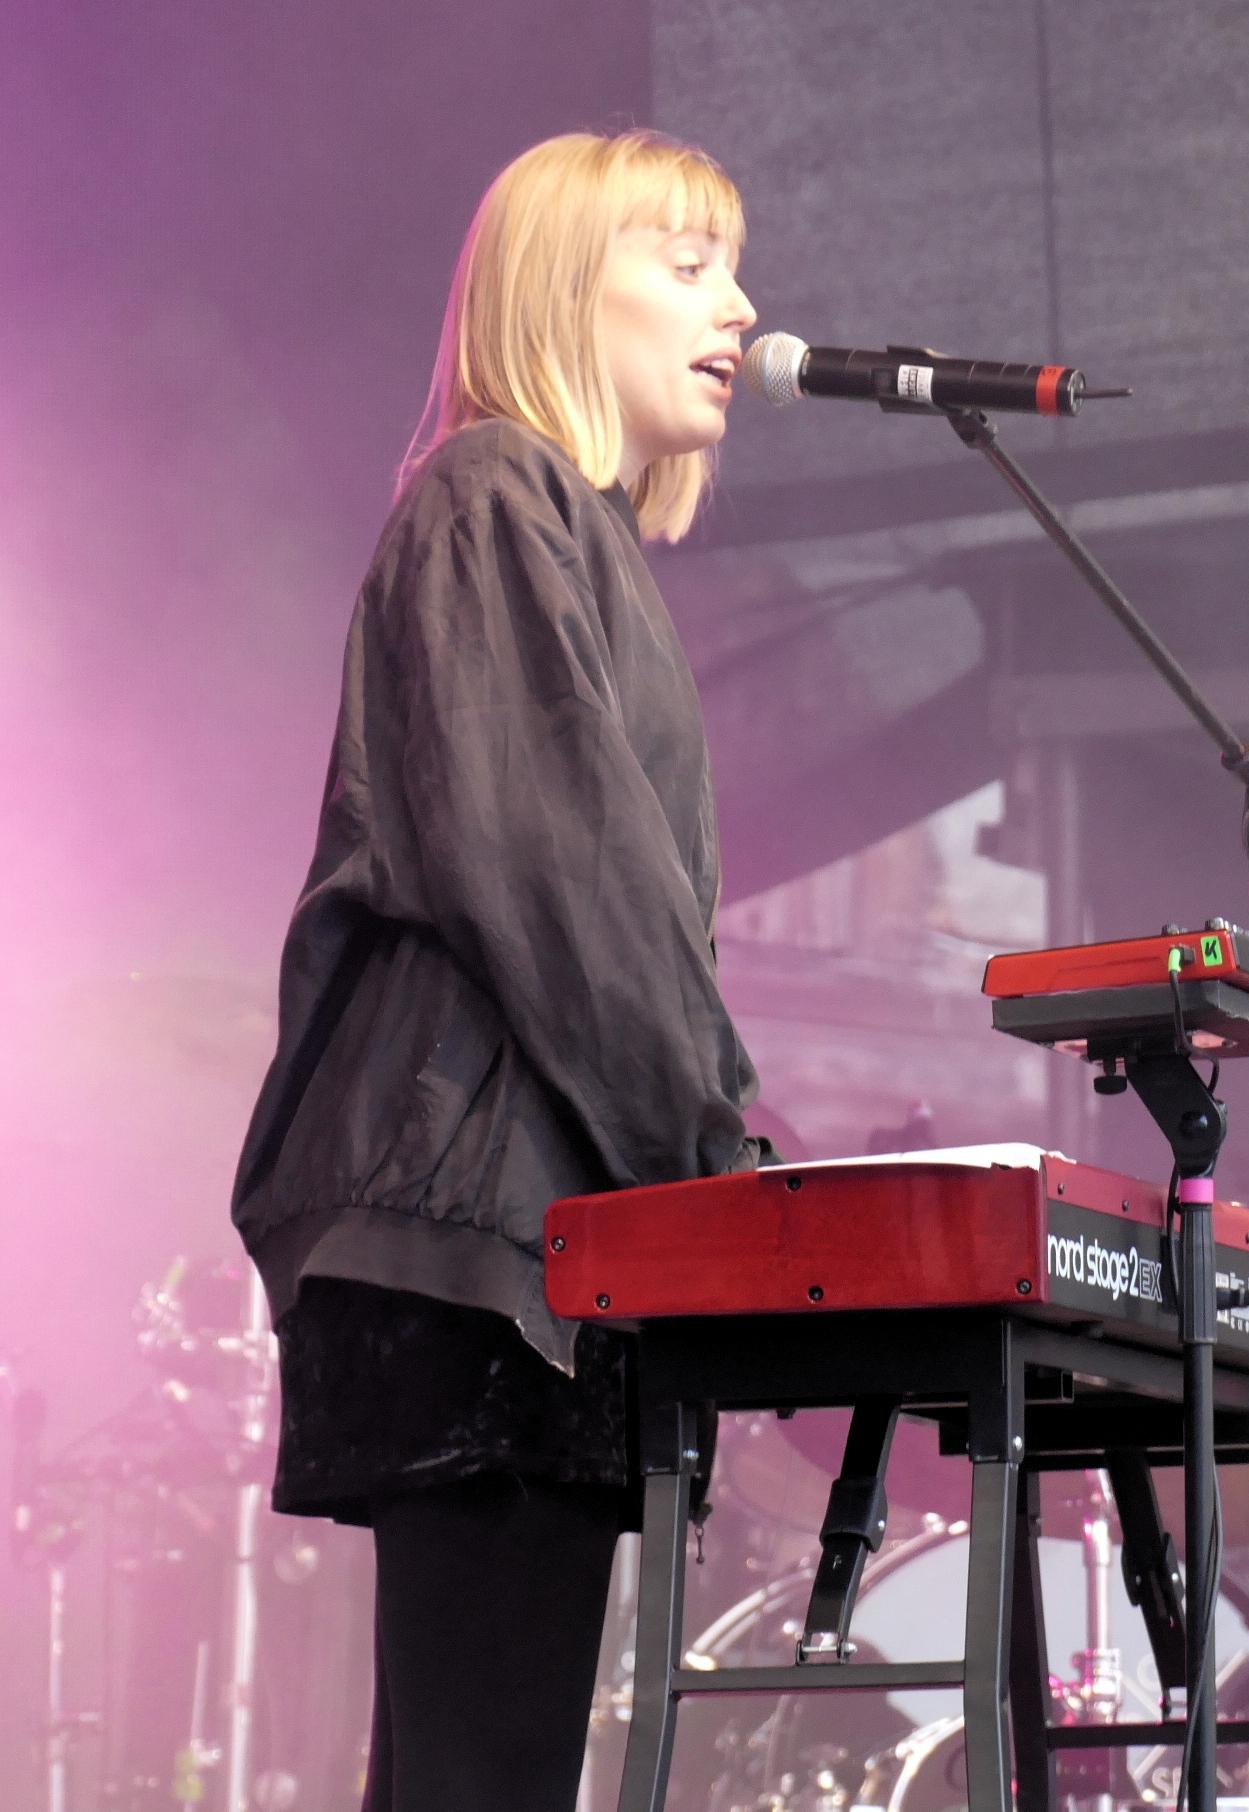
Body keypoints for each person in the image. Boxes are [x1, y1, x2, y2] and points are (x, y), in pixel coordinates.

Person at [230, 129, 763, 1812]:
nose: (739, 309)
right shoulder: (491, 497)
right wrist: (728, 1173)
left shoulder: (570, 533)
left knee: (494, 1769)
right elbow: (568, 884)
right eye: (687, 265)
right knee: (478, 1774)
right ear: (560, 285)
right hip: (481, 1248)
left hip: (536, 1241)